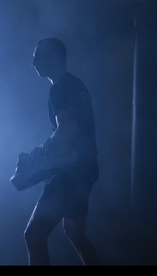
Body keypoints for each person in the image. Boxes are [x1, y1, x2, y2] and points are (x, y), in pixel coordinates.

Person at [23, 38, 100, 265]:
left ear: (55, 57)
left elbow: (66, 129)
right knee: (75, 233)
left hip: (72, 172)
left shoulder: (60, 87)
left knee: (34, 235)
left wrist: (38, 155)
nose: (33, 62)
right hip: (85, 168)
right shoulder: (76, 83)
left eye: (38, 56)